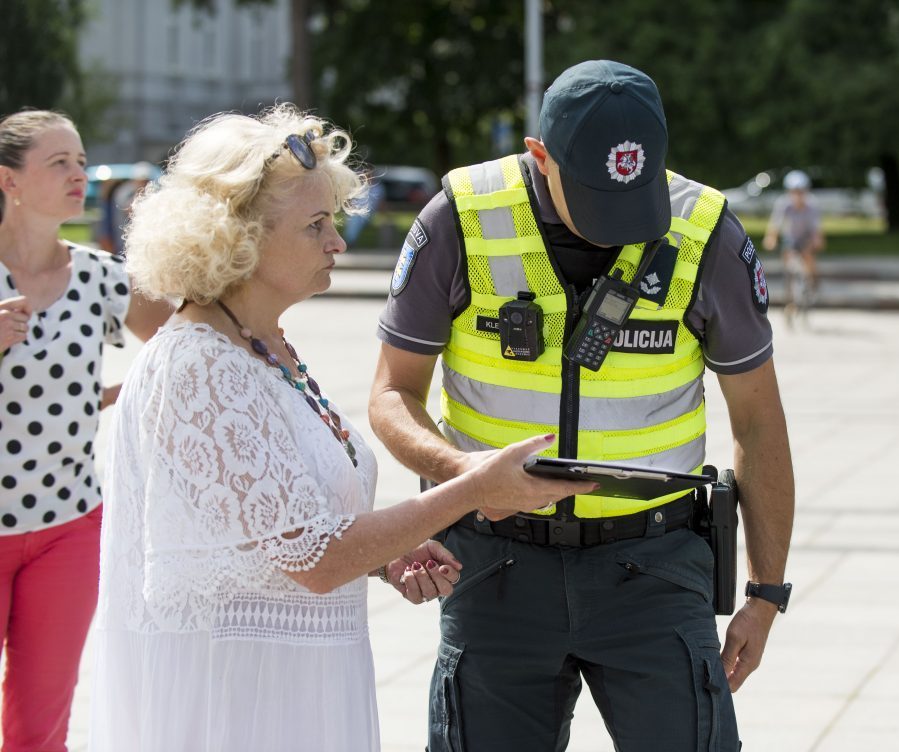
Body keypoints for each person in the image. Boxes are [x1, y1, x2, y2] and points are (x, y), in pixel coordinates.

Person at [86, 104, 593, 752]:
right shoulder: (200, 364)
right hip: (237, 701)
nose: (338, 242)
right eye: (317, 225)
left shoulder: (259, 346)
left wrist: (385, 556)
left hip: (288, 684)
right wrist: (473, 486)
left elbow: (279, 531)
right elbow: (317, 560)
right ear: (237, 237)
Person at [369, 60, 795, 751]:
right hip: (496, 570)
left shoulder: (707, 229)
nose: (617, 227)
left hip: (655, 571)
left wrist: (765, 593)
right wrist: (464, 475)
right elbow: (392, 394)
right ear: (541, 157)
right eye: (597, 199)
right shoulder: (460, 218)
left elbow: (758, 421)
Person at [0, 109, 171, 751]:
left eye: (79, 160)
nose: (79, 175)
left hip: (67, 526)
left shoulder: (100, 276)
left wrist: (124, 394)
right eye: (58, 163)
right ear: (8, 181)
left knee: (41, 728)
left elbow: (188, 338)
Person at [763, 169, 825, 320]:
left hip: (806, 237)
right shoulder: (783, 204)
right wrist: (771, 238)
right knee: (787, 261)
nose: (797, 195)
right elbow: (775, 225)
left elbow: (816, 230)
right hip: (790, 239)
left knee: (808, 254)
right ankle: (790, 297)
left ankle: (813, 280)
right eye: (794, 191)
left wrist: (817, 240)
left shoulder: (812, 205)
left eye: (800, 191)